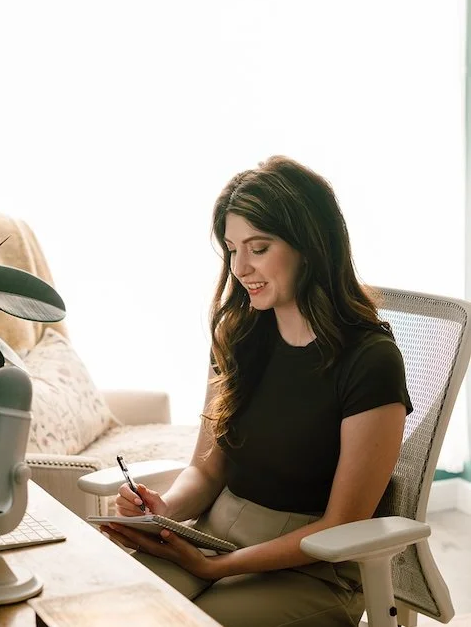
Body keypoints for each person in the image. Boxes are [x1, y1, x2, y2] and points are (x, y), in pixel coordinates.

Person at [100, 155, 412, 627]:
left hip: (311, 565)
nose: (240, 266)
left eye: (259, 247)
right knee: (110, 603)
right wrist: (164, 511)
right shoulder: (239, 337)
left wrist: (217, 567)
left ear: (310, 246)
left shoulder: (371, 360)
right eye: (231, 248)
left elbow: (342, 524)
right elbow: (206, 473)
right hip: (215, 535)